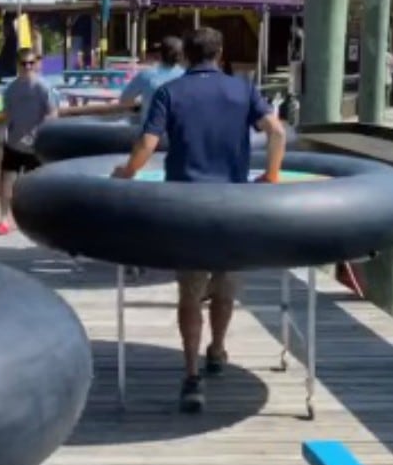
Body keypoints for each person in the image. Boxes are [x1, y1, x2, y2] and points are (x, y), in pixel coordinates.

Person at [110, 27, 287, 414]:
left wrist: (128, 172)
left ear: (187, 56)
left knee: (190, 294)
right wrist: (272, 174)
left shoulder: (169, 93)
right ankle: (218, 350)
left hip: (187, 206)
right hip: (232, 206)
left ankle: (191, 375)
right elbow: (276, 130)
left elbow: (148, 143)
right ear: (220, 53)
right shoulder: (242, 90)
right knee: (224, 287)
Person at [0, 47, 58, 236]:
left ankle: (42, 221)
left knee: (37, 185)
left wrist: (38, 133)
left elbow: (53, 113)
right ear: (18, 65)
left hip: (36, 146)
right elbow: (6, 114)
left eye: (31, 63)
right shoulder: (11, 89)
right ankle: (4, 219)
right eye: (24, 63)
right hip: (13, 143)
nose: (28, 67)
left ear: (36, 64)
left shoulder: (44, 88)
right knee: (6, 182)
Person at [118, 36, 184, 124]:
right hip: (179, 131)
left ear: (159, 54)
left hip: (151, 130)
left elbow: (125, 99)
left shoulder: (146, 75)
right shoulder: (187, 75)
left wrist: (144, 103)